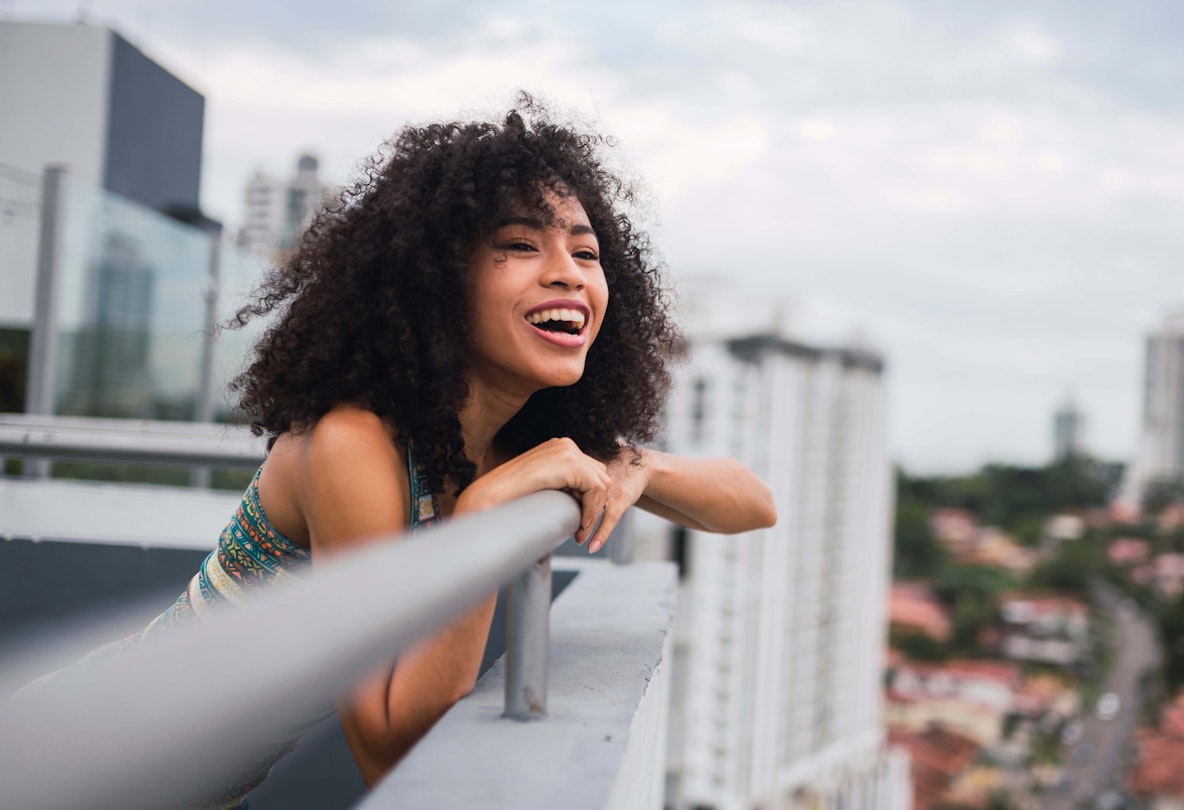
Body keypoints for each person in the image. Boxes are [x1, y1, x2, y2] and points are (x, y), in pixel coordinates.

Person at [32, 96, 777, 808]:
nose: (567, 273)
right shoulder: (356, 441)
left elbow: (753, 502)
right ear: (434, 281)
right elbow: (394, 751)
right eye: (519, 245)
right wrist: (483, 521)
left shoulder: (516, 442)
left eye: (586, 252)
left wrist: (636, 465)